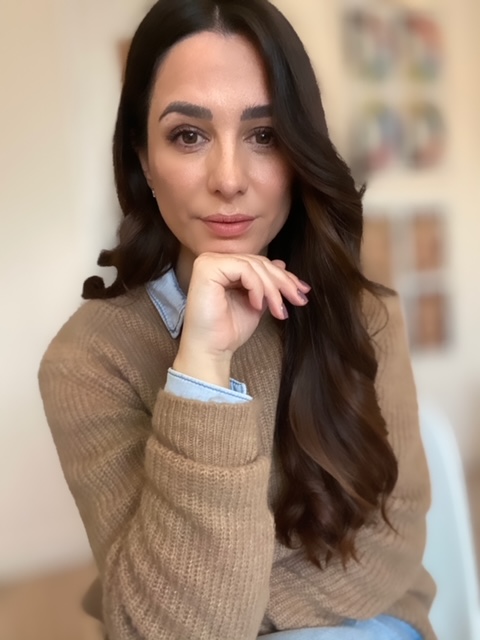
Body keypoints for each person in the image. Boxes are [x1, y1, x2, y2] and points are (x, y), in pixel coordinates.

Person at [38, 0, 437, 638]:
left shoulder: (366, 313)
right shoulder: (89, 362)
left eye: (265, 135)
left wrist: (237, 609)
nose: (229, 179)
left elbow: (395, 538)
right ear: (142, 157)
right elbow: (174, 629)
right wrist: (203, 370)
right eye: (188, 135)